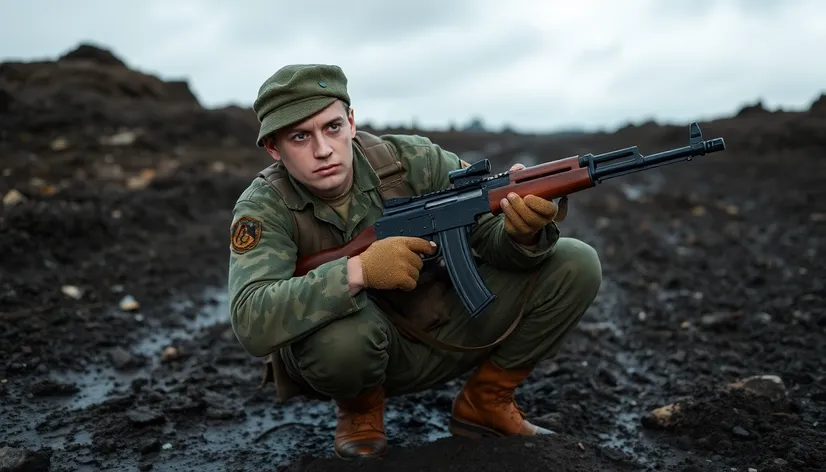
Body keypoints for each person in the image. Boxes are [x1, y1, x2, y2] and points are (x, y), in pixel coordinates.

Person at [227, 64, 603, 459]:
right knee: (338, 342)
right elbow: (251, 319)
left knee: (575, 262)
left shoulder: (414, 161)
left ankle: (485, 402)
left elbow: (488, 241)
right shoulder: (264, 207)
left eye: (332, 128)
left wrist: (520, 232)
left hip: (449, 329)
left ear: (352, 122)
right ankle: (361, 412)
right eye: (300, 137)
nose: (323, 149)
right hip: (362, 353)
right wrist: (359, 270)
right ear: (273, 147)